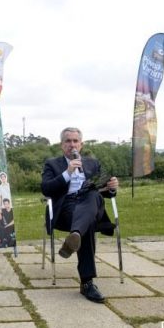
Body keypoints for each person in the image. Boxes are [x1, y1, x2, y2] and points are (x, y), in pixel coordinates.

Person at [41, 127, 119, 303]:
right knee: (87, 223)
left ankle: (75, 236)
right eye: (68, 141)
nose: (72, 144)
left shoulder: (93, 163)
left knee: (93, 194)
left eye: (75, 141)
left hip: (90, 202)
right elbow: (46, 189)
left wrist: (112, 187)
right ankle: (87, 283)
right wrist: (67, 173)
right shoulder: (52, 164)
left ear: (81, 145)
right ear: (62, 145)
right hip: (67, 208)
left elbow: (104, 190)